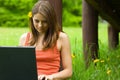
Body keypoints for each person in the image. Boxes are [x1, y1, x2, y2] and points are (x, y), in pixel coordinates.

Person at [19, 0, 72, 80]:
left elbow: (68, 71)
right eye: (36, 21)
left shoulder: (61, 38)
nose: (40, 25)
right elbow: (20, 68)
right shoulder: (24, 39)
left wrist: (50, 77)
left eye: (45, 22)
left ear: (51, 21)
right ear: (32, 19)